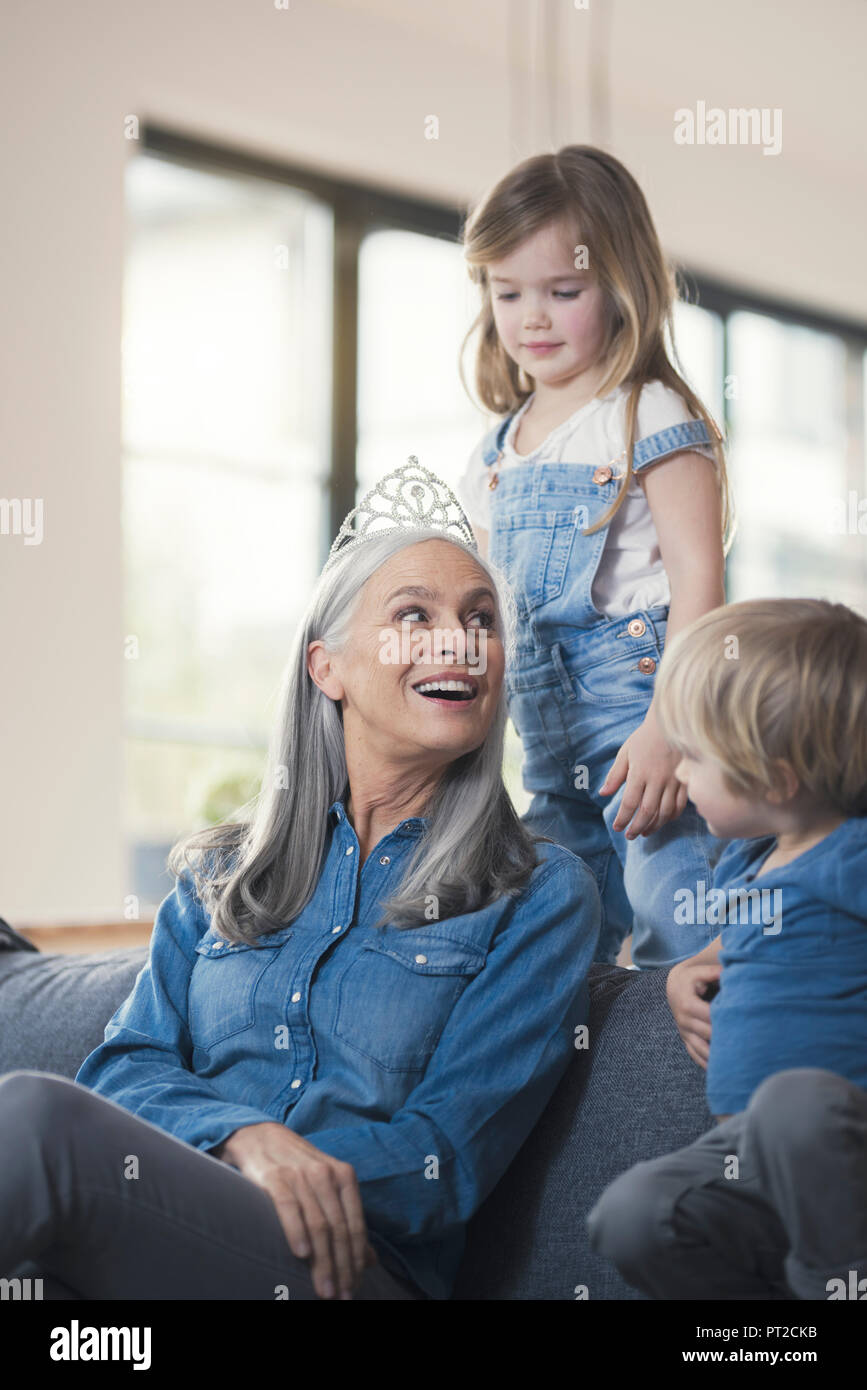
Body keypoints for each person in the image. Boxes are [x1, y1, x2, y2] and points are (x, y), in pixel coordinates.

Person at [0, 461, 601, 1302]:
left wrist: (259, 1177)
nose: (458, 642)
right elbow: (124, 1068)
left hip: (346, 1269)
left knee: (32, 1120)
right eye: (413, 615)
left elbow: (445, 1161)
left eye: (480, 619)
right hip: (154, 1243)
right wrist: (238, 1134)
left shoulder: (538, 894)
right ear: (329, 668)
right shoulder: (220, 873)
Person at [457, 144, 733, 969]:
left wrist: (667, 731)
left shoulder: (644, 412)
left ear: (619, 286)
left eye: (562, 291)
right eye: (508, 293)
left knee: (674, 911)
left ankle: (718, 1086)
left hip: (640, 713)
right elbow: (487, 611)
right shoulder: (493, 456)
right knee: (554, 935)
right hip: (547, 748)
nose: (530, 317)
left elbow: (699, 583)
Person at [586, 598, 867, 1299]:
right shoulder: (744, 865)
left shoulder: (850, 857)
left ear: (773, 777)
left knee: (792, 1105)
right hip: (743, 1155)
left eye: (692, 756)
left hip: (839, 1142)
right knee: (632, 1216)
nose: (676, 774)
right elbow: (744, 936)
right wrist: (689, 966)